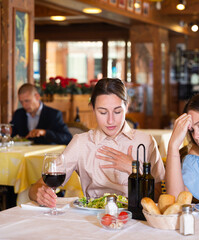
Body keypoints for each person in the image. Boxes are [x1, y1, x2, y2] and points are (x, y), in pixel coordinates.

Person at [29, 78, 165, 208]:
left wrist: (134, 172)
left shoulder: (145, 142)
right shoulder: (81, 142)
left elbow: (160, 197)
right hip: (92, 218)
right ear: (93, 109)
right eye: (103, 112)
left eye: (117, 111)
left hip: (136, 219)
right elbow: (36, 188)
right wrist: (39, 194)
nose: (111, 120)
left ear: (127, 107)